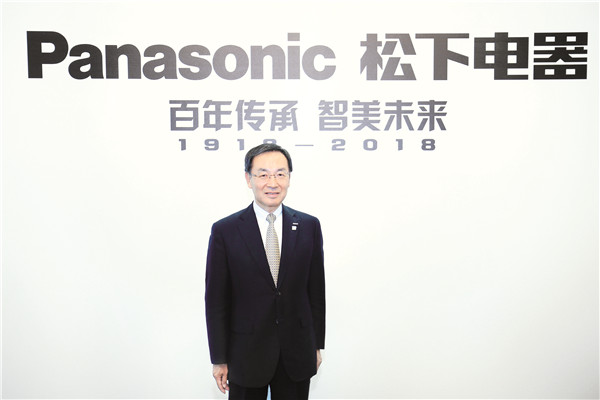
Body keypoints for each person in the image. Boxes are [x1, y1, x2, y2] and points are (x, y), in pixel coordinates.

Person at [205, 143, 326, 400]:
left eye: (280, 174)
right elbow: (216, 300)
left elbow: (316, 292)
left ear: (289, 178)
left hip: (296, 353)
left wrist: (316, 345)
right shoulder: (225, 231)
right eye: (263, 174)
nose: (273, 182)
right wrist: (219, 358)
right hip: (244, 354)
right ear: (248, 179)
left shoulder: (309, 226)